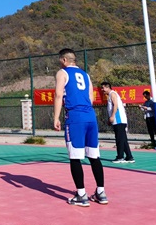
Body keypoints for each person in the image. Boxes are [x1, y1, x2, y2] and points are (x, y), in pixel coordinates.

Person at [54, 48, 107, 207]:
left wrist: (56, 117)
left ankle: (81, 195)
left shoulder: (62, 73)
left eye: (60, 60)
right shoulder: (85, 75)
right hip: (90, 116)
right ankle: (101, 193)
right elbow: (91, 98)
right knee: (94, 156)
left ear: (64, 60)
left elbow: (58, 95)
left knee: (75, 157)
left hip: (75, 117)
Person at [101, 82, 135, 164]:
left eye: (103, 88)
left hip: (119, 120)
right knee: (123, 139)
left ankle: (120, 157)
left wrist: (112, 116)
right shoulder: (111, 95)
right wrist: (110, 119)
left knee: (119, 139)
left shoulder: (112, 94)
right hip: (117, 121)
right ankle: (129, 157)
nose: (102, 90)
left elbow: (115, 105)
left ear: (108, 87)